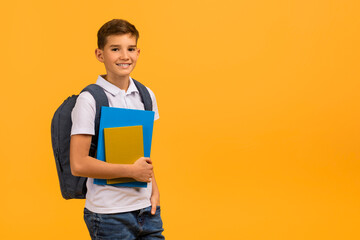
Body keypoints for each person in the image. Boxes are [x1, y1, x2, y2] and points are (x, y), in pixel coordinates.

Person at [69, 19, 164, 240]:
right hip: (109, 214)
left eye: (130, 49)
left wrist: (154, 191)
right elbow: (79, 163)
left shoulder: (146, 95)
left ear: (138, 52)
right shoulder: (90, 99)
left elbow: (142, 154)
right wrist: (131, 171)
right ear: (100, 54)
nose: (124, 56)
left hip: (147, 210)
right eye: (115, 49)